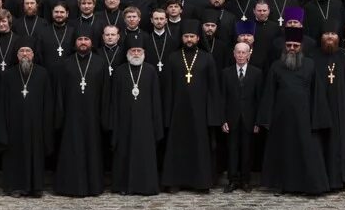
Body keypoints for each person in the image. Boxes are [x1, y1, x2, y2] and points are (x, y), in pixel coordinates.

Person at [258, 27, 331, 194]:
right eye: (289, 45)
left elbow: (317, 93)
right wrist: (266, 119)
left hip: (305, 117)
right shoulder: (276, 66)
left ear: (301, 47)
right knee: (285, 151)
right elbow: (269, 93)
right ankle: (284, 185)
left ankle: (309, 186)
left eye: (295, 45)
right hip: (281, 118)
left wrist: (317, 119)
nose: (291, 48)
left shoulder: (310, 65)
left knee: (306, 151)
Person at [161, 20, 221, 193]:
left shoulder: (206, 57)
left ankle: (201, 183)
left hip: (200, 112)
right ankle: (174, 181)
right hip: (178, 112)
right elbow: (168, 88)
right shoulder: (173, 58)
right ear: (181, 38)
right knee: (176, 146)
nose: (189, 40)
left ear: (198, 38)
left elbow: (213, 88)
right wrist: (167, 114)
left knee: (200, 147)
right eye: (186, 36)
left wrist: (212, 115)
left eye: (192, 37)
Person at [53, 29, 110, 197]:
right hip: (71, 116)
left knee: (92, 149)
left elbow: (105, 92)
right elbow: (59, 93)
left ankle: (93, 186)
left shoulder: (100, 63)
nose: (83, 42)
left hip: (93, 116)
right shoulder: (66, 63)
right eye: (80, 39)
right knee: (72, 149)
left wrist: (104, 116)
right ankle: (69, 186)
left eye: (86, 39)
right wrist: (60, 116)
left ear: (91, 42)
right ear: (75, 43)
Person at [0, 43, 54, 197]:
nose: (25, 54)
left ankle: (36, 187)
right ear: (17, 55)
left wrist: (47, 125)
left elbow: (48, 103)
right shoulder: (8, 75)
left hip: (36, 126)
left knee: (35, 155)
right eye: (21, 51)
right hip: (14, 125)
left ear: (33, 54)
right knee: (14, 156)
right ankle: (15, 187)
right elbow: (1, 103)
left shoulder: (42, 74)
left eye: (28, 50)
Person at [109, 43, 164, 195]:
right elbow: (114, 99)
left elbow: (156, 99)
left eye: (139, 50)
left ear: (144, 52)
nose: (136, 53)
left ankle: (146, 186)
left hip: (146, 122)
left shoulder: (150, 71)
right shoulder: (120, 71)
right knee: (124, 153)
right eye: (133, 51)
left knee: (145, 154)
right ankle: (123, 186)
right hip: (124, 121)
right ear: (127, 53)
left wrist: (157, 124)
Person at [314, 29, 345, 190]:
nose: (330, 37)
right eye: (326, 34)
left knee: (341, 142)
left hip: (342, 109)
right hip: (320, 108)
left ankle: (343, 178)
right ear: (321, 37)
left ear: (338, 37)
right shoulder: (314, 56)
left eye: (333, 34)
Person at [220, 41, 261, 193]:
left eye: (244, 52)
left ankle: (245, 180)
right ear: (234, 54)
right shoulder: (226, 73)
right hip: (231, 119)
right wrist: (223, 119)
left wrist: (258, 121)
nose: (241, 55)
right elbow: (222, 98)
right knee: (232, 150)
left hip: (249, 119)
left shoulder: (257, 73)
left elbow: (259, 99)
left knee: (247, 151)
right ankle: (232, 180)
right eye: (238, 52)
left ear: (249, 54)